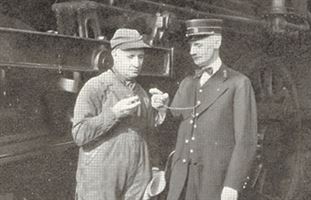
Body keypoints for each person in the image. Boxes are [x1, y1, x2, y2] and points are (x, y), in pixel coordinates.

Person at [150, 18, 258, 200]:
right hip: (181, 182)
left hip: (214, 182)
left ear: (217, 42)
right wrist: (162, 110)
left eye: (198, 45)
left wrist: (232, 184)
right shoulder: (187, 83)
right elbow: (173, 127)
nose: (192, 52)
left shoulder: (238, 83)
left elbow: (245, 140)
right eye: (191, 46)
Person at [72, 28, 166, 200]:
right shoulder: (96, 87)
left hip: (136, 182)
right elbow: (79, 133)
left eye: (140, 57)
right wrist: (114, 113)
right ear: (115, 55)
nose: (137, 63)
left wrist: (154, 169)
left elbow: (150, 137)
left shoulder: (142, 93)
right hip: (101, 181)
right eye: (130, 57)